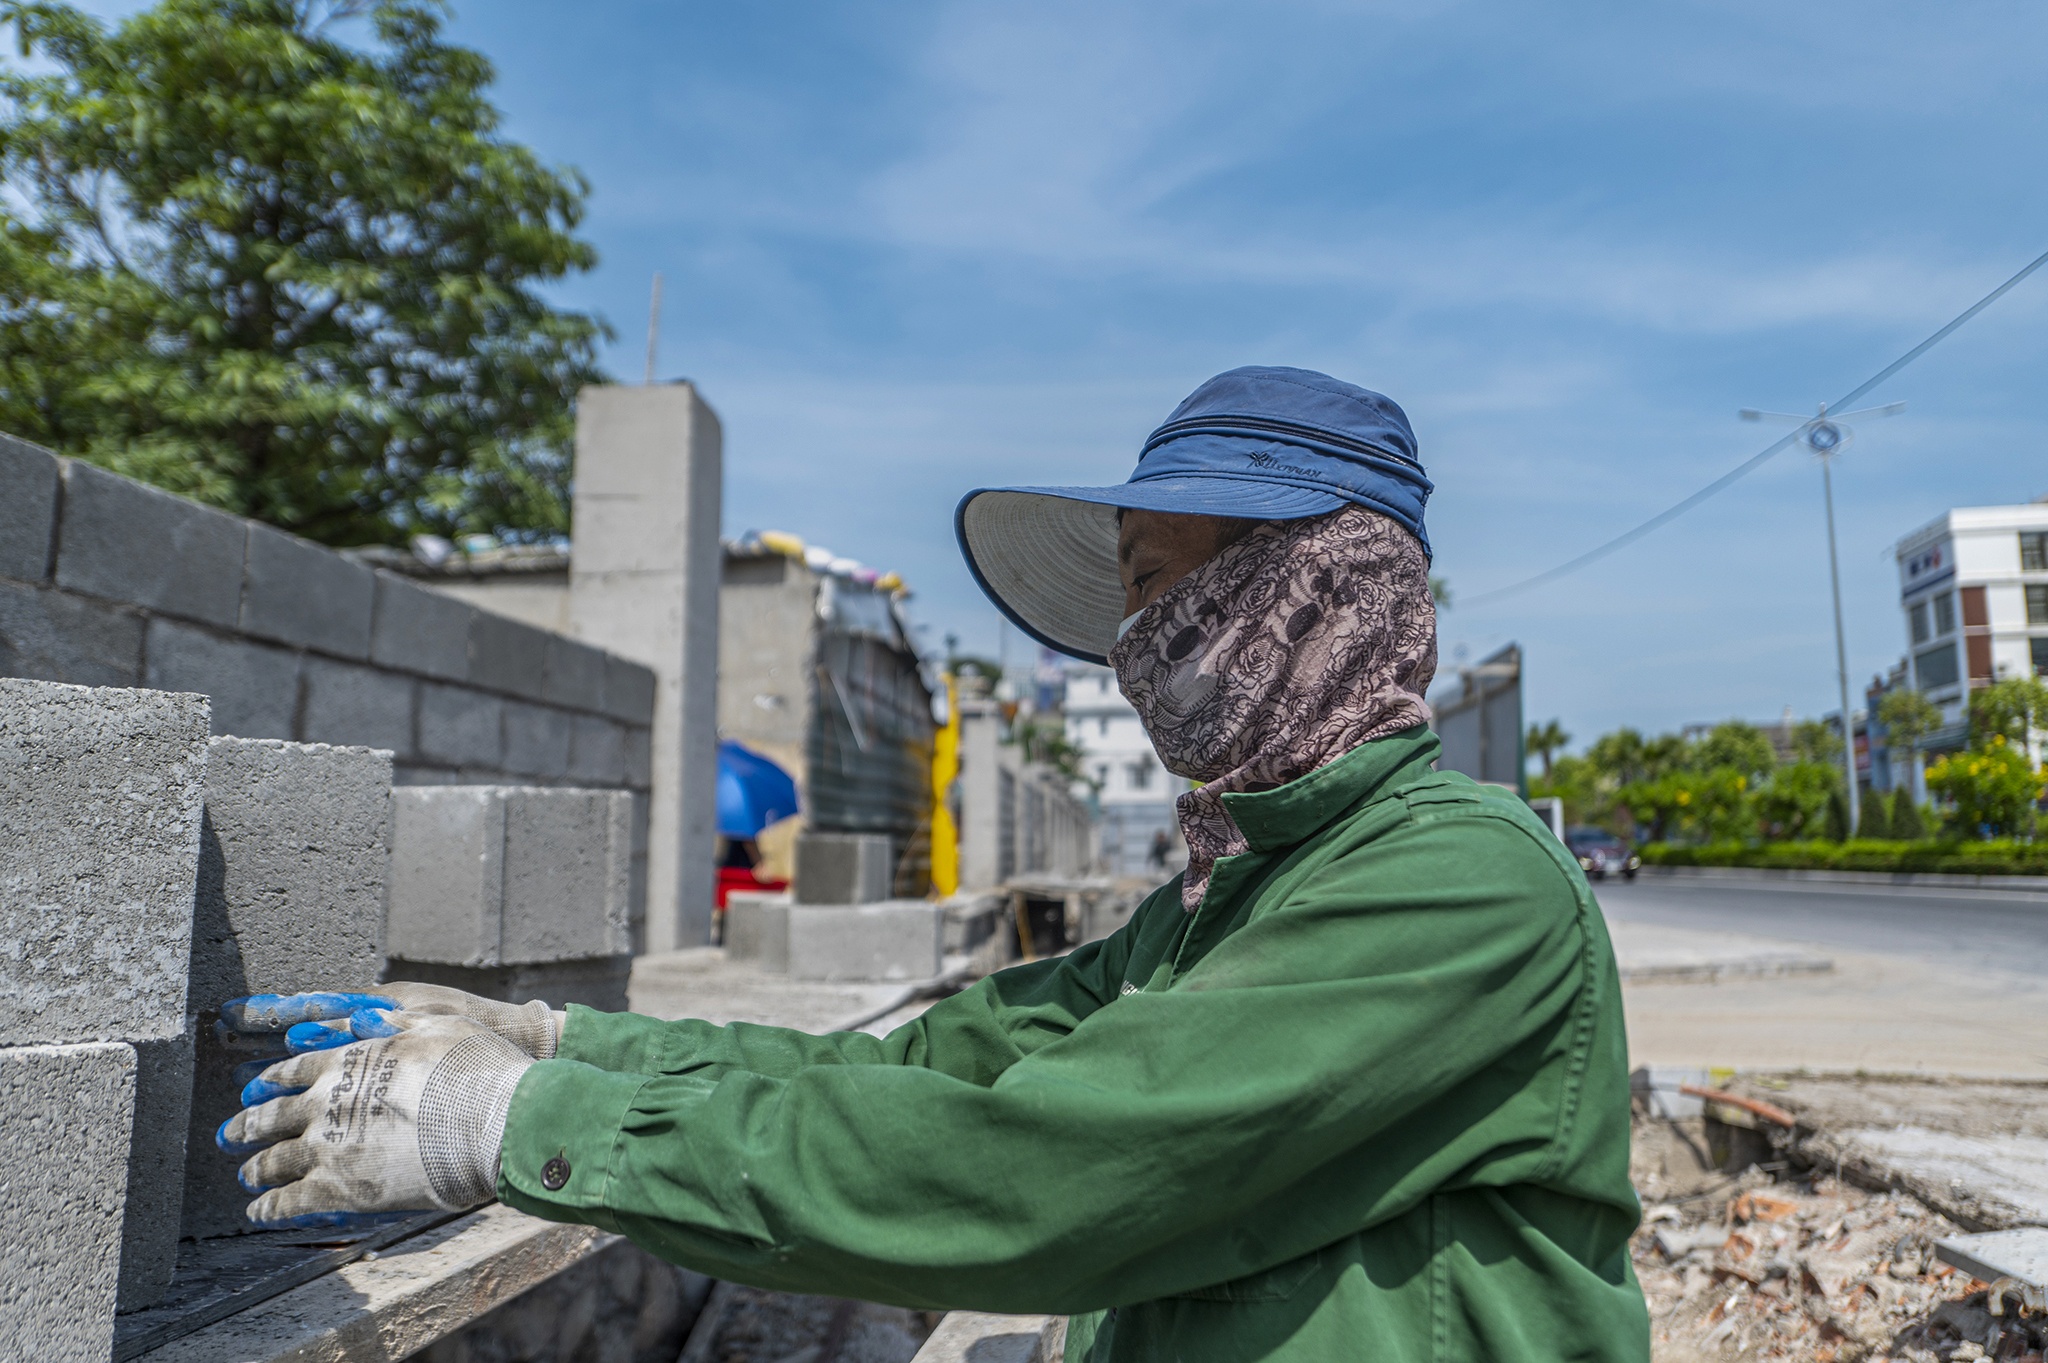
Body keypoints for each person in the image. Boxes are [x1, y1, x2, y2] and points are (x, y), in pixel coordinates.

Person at [221, 366, 1648, 1362]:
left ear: (1316, 589)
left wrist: (518, 1123)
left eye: (1162, 582)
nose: (1135, 642)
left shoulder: (1456, 886)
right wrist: (557, 1040)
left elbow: (1037, 1172)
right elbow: (926, 1077)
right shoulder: (1228, 905)